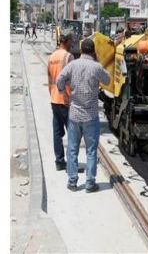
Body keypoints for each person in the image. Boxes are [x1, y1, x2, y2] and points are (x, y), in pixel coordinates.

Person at [56, 39, 110, 193]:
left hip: (74, 114)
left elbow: (59, 79)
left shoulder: (73, 65)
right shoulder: (96, 67)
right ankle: (90, 184)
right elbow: (107, 80)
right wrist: (97, 62)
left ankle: (72, 182)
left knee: (72, 149)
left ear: (81, 49)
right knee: (91, 151)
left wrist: (63, 93)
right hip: (90, 116)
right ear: (93, 51)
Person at [48, 31, 74, 171]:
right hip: (65, 100)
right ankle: (71, 164)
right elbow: (72, 79)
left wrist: (52, 95)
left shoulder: (52, 56)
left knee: (57, 132)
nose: (73, 44)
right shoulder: (68, 57)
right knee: (72, 133)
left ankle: (59, 161)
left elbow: (49, 79)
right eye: (71, 41)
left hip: (54, 99)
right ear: (66, 41)